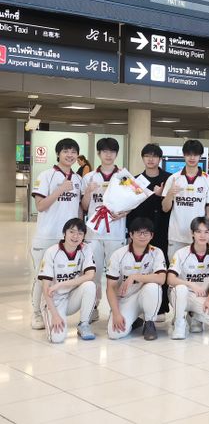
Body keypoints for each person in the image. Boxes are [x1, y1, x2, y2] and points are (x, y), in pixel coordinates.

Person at [30, 138, 83, 330]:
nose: (70, 155)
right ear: (58, 153)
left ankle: (53, 309)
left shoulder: (78, 179)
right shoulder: (46, 175)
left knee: (63, 276)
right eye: (66, 151)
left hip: (69, 240)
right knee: (41, 277)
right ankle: (36, 313)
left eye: (73, 152)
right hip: (47, 236)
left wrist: (80, 235)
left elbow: (79, 209)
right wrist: (60, 190)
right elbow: (40, 206)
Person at [80, 137, 129, 322]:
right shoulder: (89, 177)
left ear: (117, 154)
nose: (108, 155)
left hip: (116, 233)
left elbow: (133, 201)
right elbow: (84, 206)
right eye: (105, 151)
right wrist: (88, 192)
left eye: (112, 151)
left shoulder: (123, 176)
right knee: (93, 273)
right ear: (99, 153)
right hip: (94, 234)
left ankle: (115, 310)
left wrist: (123, 213)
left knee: (117, 274)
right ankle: (92, 307)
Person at [126, 143, 172, 320]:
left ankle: (161, 308)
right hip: (140, 231)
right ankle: (138, 306)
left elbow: (170, 206)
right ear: (143, 158)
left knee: (161, 267)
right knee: (140, 266)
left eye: (154, 156)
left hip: (162, 229)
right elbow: (129, 207)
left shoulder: (169, 179)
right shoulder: (134, 180)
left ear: (160, 159)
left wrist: (160, 196)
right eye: (147, 156)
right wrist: (130, 232)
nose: (150, 159)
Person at [106, 217, 167, 341]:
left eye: (146, 233)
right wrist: (116, 313)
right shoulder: (118, 254)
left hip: (144, 295)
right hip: (125, 299)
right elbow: (110, 287)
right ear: (131, 234)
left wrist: (134, 277)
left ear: (151, 236)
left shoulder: (157, 252)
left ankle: (149, 323)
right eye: (139, 232)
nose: (142, 236)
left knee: (153, 286)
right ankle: (135, 320)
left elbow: (161, 279)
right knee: (114, 334)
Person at [37, 218, 96, 343]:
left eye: (80, 233)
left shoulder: (86, 249)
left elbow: (90, 275)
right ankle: (48, 316)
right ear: (64, 233)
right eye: (72, 232)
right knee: (57, 338)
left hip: (71, 297)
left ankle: (84, 324)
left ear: (84, 236)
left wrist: (61, 284)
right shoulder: (52, 252)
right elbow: (46, 288)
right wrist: (55, 315)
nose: (75, 236)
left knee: (90, 285)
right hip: (53, 300)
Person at [167, 217, 209, 339]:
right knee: (181, 288)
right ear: (192, 233)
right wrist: (191, 284)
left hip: (201, 297)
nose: (202, 235)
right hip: (180, 294)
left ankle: (193, 315)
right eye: (198, 231)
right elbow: (170, 279)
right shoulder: (181, 253)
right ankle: (179, 323)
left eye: (206, 232)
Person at [162, 139, 209, 258]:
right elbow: (165, 209)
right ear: (184, 155)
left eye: (195, 154)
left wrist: (208, 234)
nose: (192, 158)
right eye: (188, 154)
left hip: (199, 237)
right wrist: (170, 194)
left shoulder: (208, 180)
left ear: (200, 156)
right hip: (176, 235)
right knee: (174, 267)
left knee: (197, 268)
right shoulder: (173, 178)